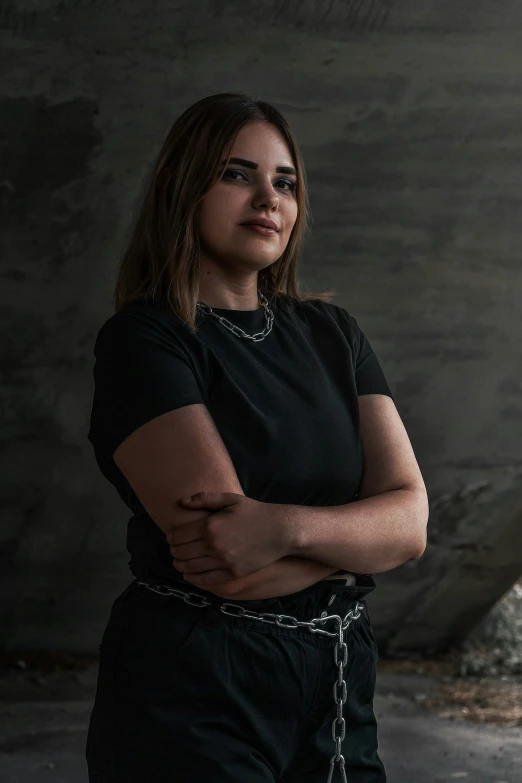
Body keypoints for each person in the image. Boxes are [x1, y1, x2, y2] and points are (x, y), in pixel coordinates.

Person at [85, 92, 428, 782]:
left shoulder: (335, 335)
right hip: (194, 681)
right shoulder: (146, 340)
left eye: (284, 181)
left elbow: (412, 521)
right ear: (181, 187)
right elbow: (231, 560)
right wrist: (357, 548)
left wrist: (283, 528)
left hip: (336, 676)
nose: (267, 197)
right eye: (237, 174)